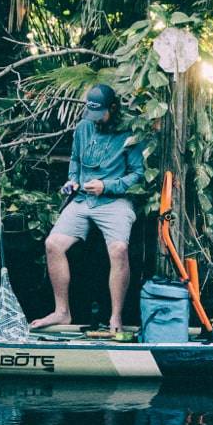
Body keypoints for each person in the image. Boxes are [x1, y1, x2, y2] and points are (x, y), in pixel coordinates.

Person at [31, 84, 144, 332]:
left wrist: (107, 186)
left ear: (112, 108)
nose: (94, 120)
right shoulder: (83, 127)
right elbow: (75, 160)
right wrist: (72, 181)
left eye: (99, 114)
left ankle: (115, 317)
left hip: (115, 200)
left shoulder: (129, 134)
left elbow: (138, 174)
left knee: (119, 249)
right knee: (52, 244)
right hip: (82, 199)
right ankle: (62, 312)